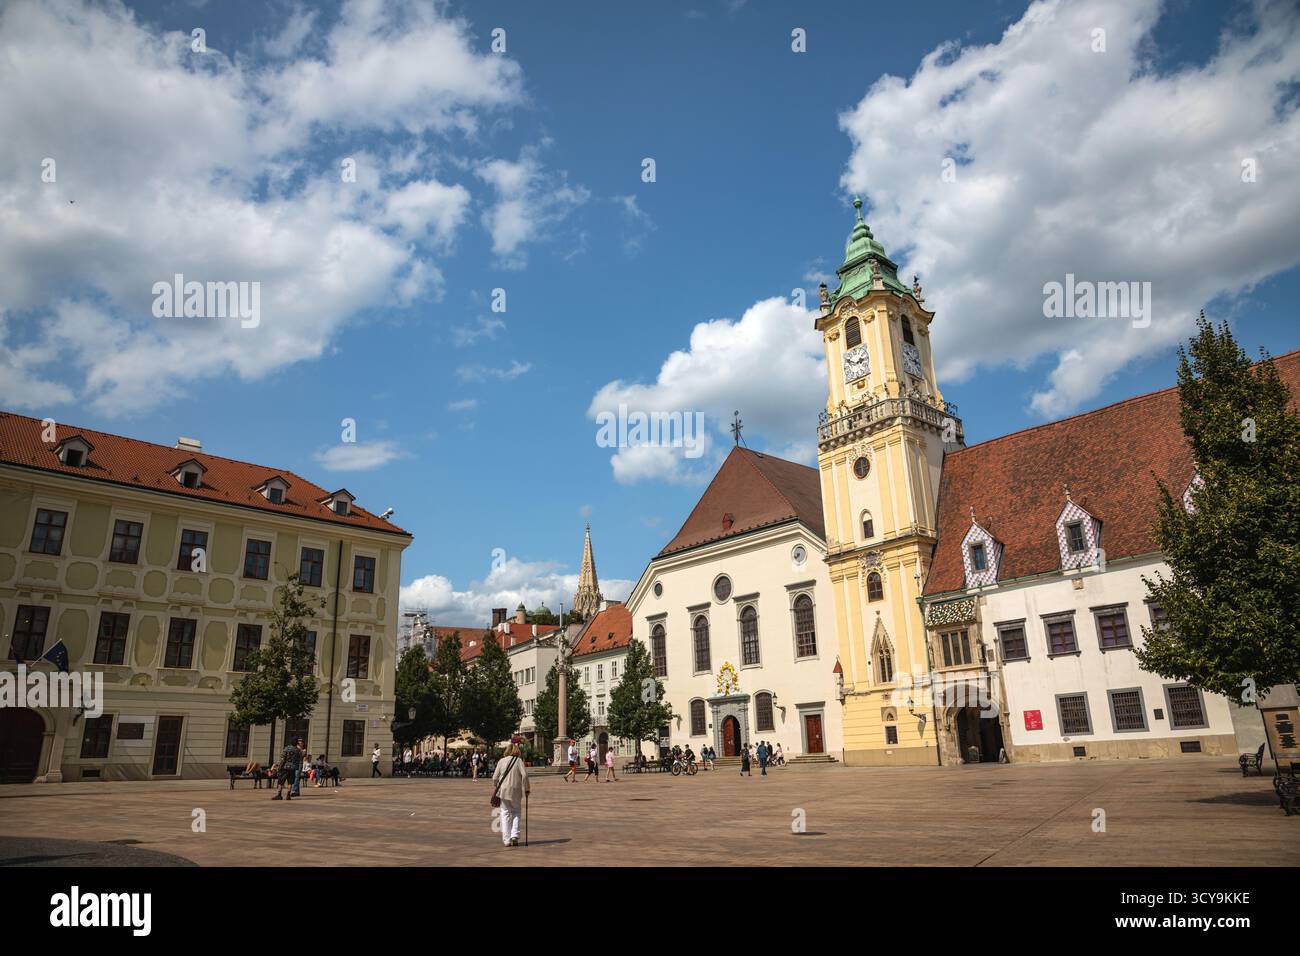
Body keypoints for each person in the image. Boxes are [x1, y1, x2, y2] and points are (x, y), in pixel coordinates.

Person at [492, 743, 530, 848]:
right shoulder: (519, 761)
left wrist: (496, 786)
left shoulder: (501, 761)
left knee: (505, 813)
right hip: (516, 791)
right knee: (516, 811)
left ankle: (506, 839)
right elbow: (525, 775)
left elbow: (494, 777)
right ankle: (515, 836)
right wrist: (527, 789)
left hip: (503, 791)